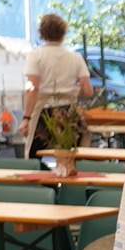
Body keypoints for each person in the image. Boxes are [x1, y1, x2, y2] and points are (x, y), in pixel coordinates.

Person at [22, 13, 92, 159]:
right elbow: (87, 90)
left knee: (34, 157)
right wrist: (73, 92)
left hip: (43, 113)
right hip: (68, 114)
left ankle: (44, 181)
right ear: (63, 33)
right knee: (73, 156)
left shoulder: (35, 56)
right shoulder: (75, 58)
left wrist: (26, 118)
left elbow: (32, 88)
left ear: (42, 33)